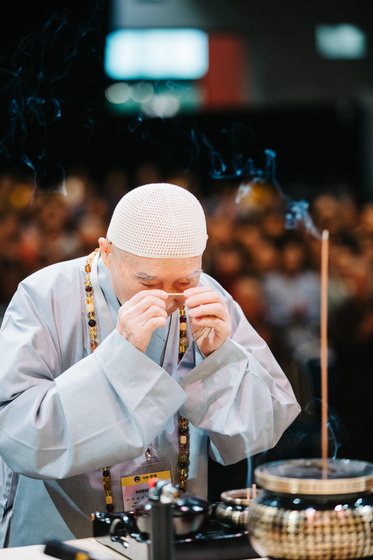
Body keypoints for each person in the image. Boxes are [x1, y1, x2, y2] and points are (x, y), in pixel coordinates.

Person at [0, 183, 300, 547]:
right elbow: (16, 435)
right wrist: (119, 356)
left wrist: (220, 357)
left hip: (173, 529)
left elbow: (264, 425)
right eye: (147, 281)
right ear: (107, 252)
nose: (168, 296)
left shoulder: (209, 296)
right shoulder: (44, 296)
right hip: (65, 531)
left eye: (185, 280)